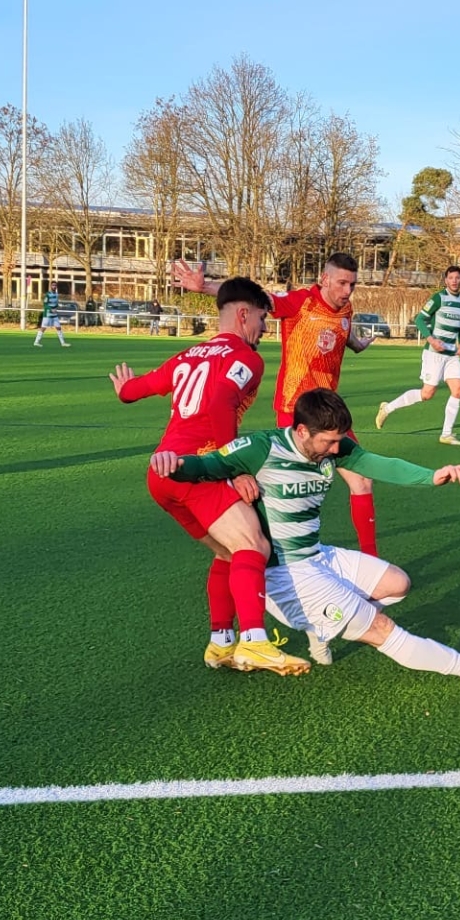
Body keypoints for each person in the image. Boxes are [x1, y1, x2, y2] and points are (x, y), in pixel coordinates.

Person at [153, 387, 460, 680]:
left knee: (398, 584)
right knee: (380, 628)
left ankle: (324, 625)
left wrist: (431, 475)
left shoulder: (336, 447)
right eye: (328, 442)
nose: (335, 449)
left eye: (338, 441)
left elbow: (377, 463)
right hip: (284, 575)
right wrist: (174, 464)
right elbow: (207, 465)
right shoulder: (261, 448)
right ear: (301, 431)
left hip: (317, 555)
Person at [112, 277, 307, 675]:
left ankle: (221, 643)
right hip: (196, 469)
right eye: (262, 319)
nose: (265, 328)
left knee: (228, 552)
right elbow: (220, 401)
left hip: (161, 474)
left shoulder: (189, 354)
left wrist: (123, 389)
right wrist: (233, 468)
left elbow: (135, 390)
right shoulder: (246, 358)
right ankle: (254, 641)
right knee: (254, 544)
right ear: (243, 314)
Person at [171, 252, 384, 553]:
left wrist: (358, 345)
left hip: (329, 414)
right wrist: (205, 287)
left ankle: (371, 557)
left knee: (362, 481)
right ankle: (257, 551)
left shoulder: (346, 308)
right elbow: (253, 298)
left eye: (353, 284)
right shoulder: (299, 302)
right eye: (342, 283)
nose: (347, 291)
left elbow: (341, 331)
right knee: (285, 491)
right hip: (295, 412)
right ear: (324, 279)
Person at [376, 266, 460, 445]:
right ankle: (387, 408)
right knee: (427, 394)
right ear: (446, 280)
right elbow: (420, 319)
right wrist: (432, 339)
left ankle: (446, 434)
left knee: (458, 390)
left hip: (452, 354)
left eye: (457, 278)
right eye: (451, 277)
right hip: (434, 353)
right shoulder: (438, 298)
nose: (454, 281)